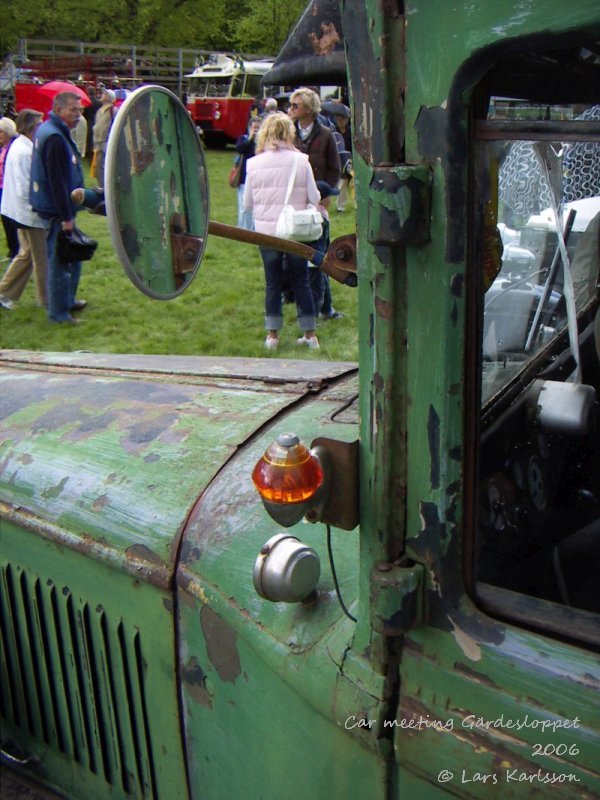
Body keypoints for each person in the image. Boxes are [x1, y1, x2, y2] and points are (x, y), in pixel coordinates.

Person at [244, 112, 321, 350]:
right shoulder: (301, 161)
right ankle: (310, 335)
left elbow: (247, 203)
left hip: (267, 232)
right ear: (289, 133)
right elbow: (315, 196)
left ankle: (272, 336)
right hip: (296, 231)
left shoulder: (253, 163)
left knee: (272, 283)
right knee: (301, 281)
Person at [30, 91, 87, 324]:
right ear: (59, 109)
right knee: (61, 261)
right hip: (57, 212)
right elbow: (57, 182)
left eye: (80, 110)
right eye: (74, 110)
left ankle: (68, 300)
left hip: (60, 209)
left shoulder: (52, 130)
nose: (78, 114)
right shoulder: (53, 137)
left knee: (75, 255)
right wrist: (65, 217)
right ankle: (59, 314)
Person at [0, 109, 48, 310]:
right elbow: (24, 187)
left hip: (21, 212)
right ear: (30, 128)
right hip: (28, 213)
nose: (42, 128)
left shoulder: (22, 146)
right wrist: (39, 209)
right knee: (41, 258)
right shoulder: (24, 151)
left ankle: (5, 292)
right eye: (39, 125)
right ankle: (46, 300)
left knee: (27, 255)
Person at [234, 117, 261, 229]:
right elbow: (239, 149)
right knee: (244, 207)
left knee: (256, 207)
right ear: (249, 128)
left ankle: (254, 229)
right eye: (254, 128)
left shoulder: (262, 143)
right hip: (244, 178)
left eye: (258, 128)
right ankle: (243, 229)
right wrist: (250, 138)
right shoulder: (244, 139)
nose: (256, 130)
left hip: (258, 178)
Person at [0, 116, 19, 260]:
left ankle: (16, 250)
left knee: (11, 219)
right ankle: (12, 249)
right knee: (5, 218)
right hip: (2, 187)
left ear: (7, 132)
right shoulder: (3, 147)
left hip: (9, 188)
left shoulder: (14, 146)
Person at [92, 88, 116, 189]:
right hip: (97, 141)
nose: (103, 95)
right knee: (97, 166)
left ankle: (104, 187)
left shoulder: (113, 110)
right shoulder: (99, 111)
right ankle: (100, 185)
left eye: (105, 94)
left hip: (106, 142)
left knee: (103, 165)